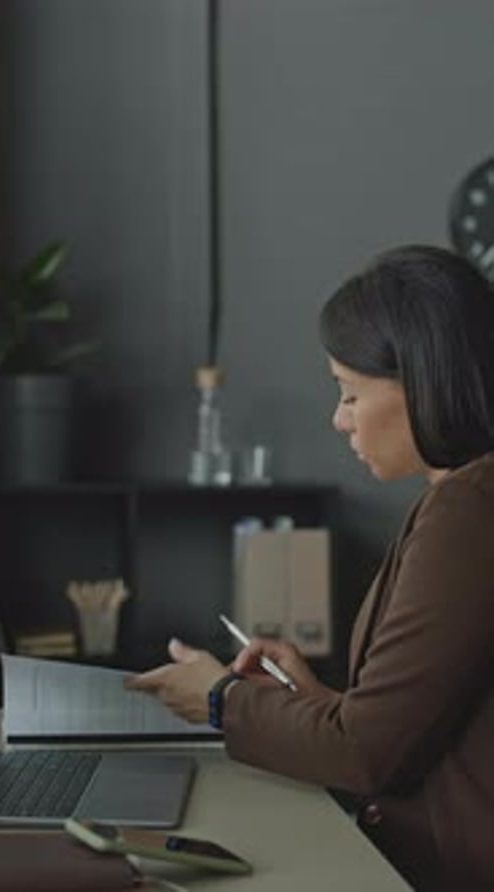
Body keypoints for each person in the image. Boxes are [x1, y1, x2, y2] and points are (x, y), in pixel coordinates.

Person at [125, 244, 494, 890]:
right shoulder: (459, 499)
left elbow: (366, 752)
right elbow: (417, 730)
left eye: (350, 393)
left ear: (422, 382)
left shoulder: (469, 510)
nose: (338, 418)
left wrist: (221, 701)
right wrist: (319, 702)